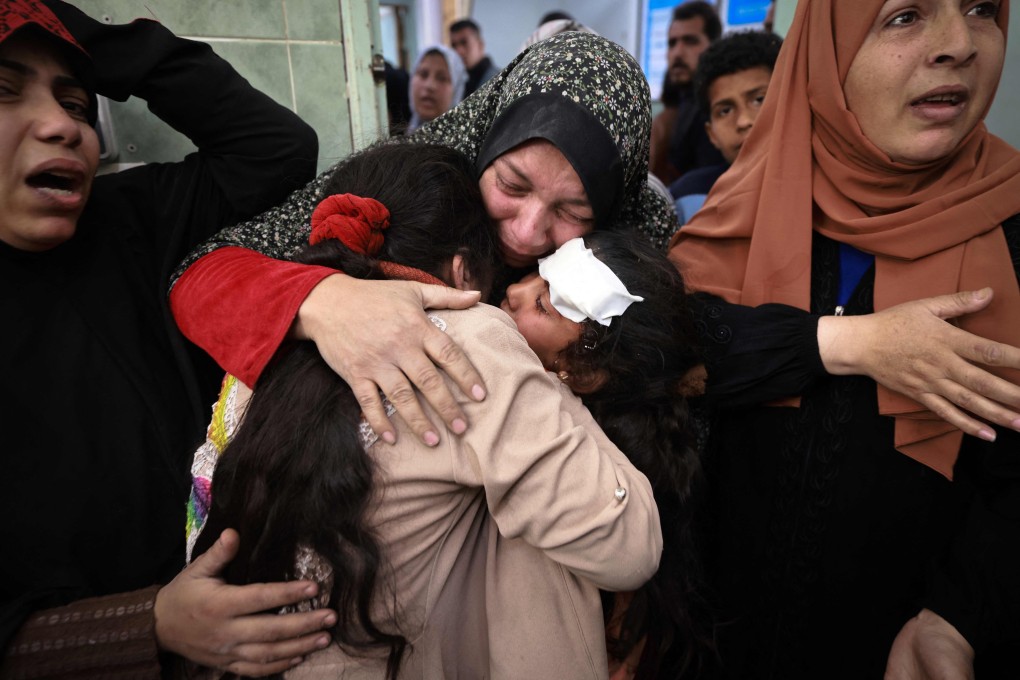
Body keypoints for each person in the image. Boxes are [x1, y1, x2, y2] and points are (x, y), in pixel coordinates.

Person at [185, 141, 666, 679]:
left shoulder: (269, 337)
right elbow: (629, 548)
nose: (513, 287)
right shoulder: (474, 339)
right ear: (463, 273)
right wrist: (559, 383)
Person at [669, 0, 1020, 677]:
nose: (959, 44)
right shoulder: (742, 204)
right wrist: (850, 344)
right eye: (905, 16)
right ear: (827, 52)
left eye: (983, 9)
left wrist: (960, 616)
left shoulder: (1011, 229)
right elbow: (668, 355)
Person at [0, 1, 336, 677]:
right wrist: (147, 624)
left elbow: (276, 148)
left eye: (77, 103)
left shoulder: (128, 223)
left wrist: (69, 30)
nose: (63, 124)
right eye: (6, 93)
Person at [167, 31, 679, 461]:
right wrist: (324, 301)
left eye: (573, 213)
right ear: (488, 142)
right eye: (512, 186)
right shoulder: (418, 182)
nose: (524, 232)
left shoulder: (633, 260)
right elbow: (199, 274)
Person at [671, 30, 782, 224]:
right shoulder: (687, 200)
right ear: (711, 133)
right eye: (725, 111)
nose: (744, 121)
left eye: (759, 100)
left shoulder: (828, 190)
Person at [649, 1, 725, 186]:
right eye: (672, 43)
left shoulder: (719, 107)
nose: (677, 52)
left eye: (690, 41)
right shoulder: (675, 106)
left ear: (714, 45)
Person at [405, 44, 465, 134]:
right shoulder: (406, 137)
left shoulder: (466, 145)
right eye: (423, 74)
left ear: (456, 91)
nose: (430, 86)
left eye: (442, 78)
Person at [449, 18, 500, 97]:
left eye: (464, 43)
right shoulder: (456, 85)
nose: (459, 51)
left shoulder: (498, 81)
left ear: (480, 45)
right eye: (454, 46)